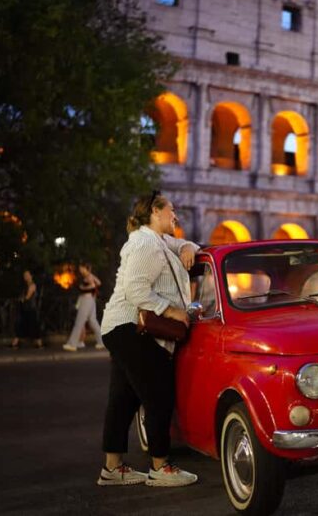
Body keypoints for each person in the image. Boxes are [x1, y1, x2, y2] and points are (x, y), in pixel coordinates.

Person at [96, 190, 199, 487]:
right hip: (131, 327)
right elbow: (136, 291)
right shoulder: (144, 243)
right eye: (171, 210)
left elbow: (180, 243)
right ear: (155, 211)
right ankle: (160, 467)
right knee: (159, 394)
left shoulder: (158, 241)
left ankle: (112, 469)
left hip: (120, 326)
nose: (175, 216)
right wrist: (172, 311)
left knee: (124, 398)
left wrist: (189, 246)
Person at [63, 263, 104, 351]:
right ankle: (101, 342)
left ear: (86, 268)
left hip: (86, 301)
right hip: (91, 301)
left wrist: (83, 288)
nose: (80, 270)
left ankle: (72, 344)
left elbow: (93, 286)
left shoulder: (89, 277)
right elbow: (98, 283)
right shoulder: (90, 276)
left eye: (81, 268)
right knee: (93, 321)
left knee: (79, 322)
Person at [11, 270, 42, 349]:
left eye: (27, 275)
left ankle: (39, 342)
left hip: (31, 308)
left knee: (32, 325)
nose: (25, 277)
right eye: (24, 275)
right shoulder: (26, 285)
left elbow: (28, 296)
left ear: (31, 276)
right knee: (22, 324)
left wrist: (21, 299)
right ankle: (16, 342)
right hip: (26, 308)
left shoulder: (32, 285)